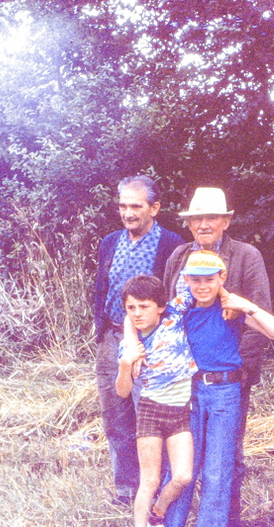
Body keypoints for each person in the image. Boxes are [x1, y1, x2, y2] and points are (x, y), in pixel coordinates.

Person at [162, 187, 272, 526]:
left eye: (212, 217)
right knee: (180, 459)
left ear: (226, 221)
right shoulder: (178, 257)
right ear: (189, 223)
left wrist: (244, 369)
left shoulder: (244, 256)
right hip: (181, 381)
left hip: (227, 379)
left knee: (224, 461)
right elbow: (168, 315)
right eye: (197, 218)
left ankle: (225, 520)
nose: (204, 224)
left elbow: (259, 315)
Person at [93, 175, 183, 506]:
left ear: (154, 208)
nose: (128, 213)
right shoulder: (110, 242)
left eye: (136, 206)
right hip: (112, 338)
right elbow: (101, 288)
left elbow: (174, 295)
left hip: (151, 342)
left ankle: (160, 490)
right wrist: (102, 330)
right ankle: (125, 491)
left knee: (152, 416)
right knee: (116, 416)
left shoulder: (171, 244)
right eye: (123, 206)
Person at [115, 275, 198, 527]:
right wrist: (125, 363)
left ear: (160, 306)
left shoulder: (174, 313)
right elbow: (121, 391)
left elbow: (196, 284)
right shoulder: (130, 346)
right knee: (149, 480)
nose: (137, 314)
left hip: (180, 412)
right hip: (151, 410)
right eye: (131, 308)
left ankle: (159, 509)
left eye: (144, 306)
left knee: (183, 475)